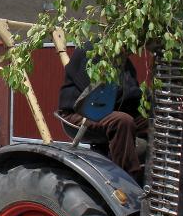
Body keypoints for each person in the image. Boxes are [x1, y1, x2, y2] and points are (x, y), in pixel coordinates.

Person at [58, 43, 147, 180]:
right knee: (122, 121)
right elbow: (96, 98)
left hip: (109, 110)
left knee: (152, 121)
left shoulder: (124, 61)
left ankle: (153, 168)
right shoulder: (88, 53)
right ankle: (129, 179)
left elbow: (132, 94)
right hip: (80, 113)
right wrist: (132, 94)